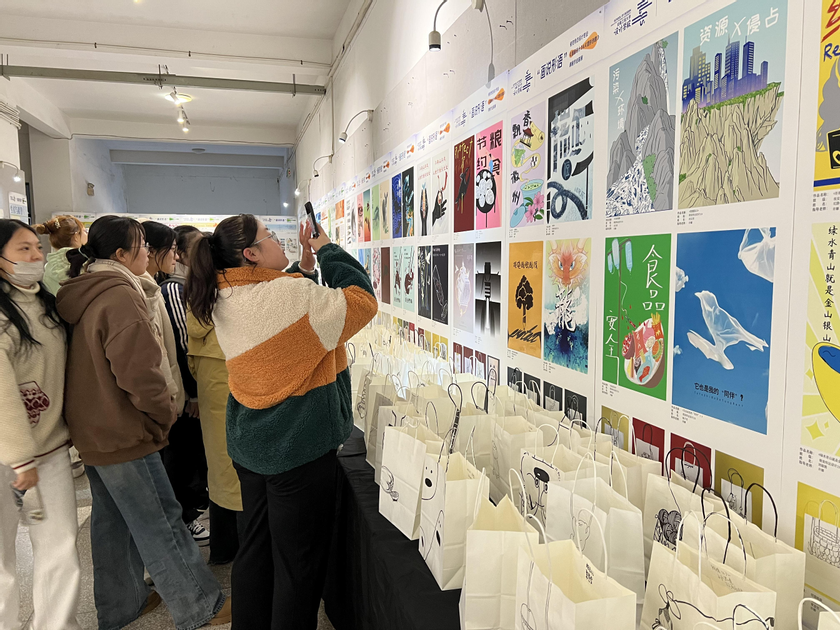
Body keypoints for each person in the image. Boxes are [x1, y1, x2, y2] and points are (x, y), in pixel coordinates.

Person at [186, 214, 377, 629]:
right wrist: (328, 250)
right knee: (298, 565)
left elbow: (280, 310)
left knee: (255, 550)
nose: (278, 240)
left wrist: (303, 267)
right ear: (251, 254)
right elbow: (362, 301)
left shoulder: (223, 293)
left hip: (250, 445)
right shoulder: (290, 297)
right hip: (297, 448)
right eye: (269, 236)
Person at [57, 215, 229, 629]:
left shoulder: (83, 288)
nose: (149, 253)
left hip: (94, 427)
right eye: (142, 246)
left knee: (112, 522)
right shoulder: (120, 295)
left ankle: (123, 604)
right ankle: (199, 605)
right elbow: (140, 371)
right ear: (120, 254)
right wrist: (161, 413)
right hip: (124, 428)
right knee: (160, 518)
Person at [0, 219, 81, 630]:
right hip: (9, 458)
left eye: (37, 247)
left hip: (49, 449)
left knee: (60, 547)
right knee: (2, 561)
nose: (36, 256)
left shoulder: (45, 302)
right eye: (23, 249)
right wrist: (19, 458)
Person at [145, 221, 210, 546]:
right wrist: (192, 394)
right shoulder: (172, 289)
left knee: (187, 456)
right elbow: (184, 345)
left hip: (183, 390)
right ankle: (185, 518)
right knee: (181, 457)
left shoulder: (179, 285)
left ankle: (188, 514)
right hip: (181, 392)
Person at [183, 230, 244, 565]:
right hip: (230, 379)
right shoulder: (237, 297)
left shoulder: (202, 294)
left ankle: (224, 550)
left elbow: (191, 359)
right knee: (237, 470)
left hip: (210, 382)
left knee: (219, 469)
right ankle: (241, 552)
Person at [34, 215, 88, 478]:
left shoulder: (47, 267)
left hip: (58, 339)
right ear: (77, 235)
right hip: (81, 337)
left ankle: (72, 455)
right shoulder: (81, 263)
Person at [34, 215, 87, 295]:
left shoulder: (48, 267)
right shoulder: (85, 264)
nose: (88, 235)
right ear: (76, 236)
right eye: (85, 231)